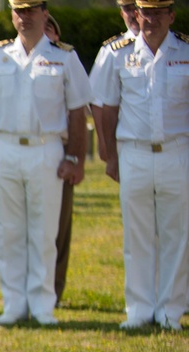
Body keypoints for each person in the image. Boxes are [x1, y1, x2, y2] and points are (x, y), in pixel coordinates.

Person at [0, 0, 90, 326]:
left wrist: (74, 158)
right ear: (12, 14)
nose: (24, 17)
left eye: (30, 10)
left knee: (43, 229)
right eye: (18, 10)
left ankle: (42, 304)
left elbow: (77, 110)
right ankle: (13, 303)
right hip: (7, 147)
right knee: (8, 230)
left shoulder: (63, 56)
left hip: (46, 148)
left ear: (44, 13)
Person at [93, 0, 188, 330]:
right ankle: (139, 308)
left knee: (177, 234)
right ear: (137, 13)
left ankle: (170, 311)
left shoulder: (185, 50)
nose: (150, 19)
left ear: (171, 16)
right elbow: (104, 106)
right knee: (137, 234)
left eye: (159, 12)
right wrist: (109, 154)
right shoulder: (117, 51)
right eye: (146, 12)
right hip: (133, 151)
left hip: (177, 150)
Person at [43, 13, 77, 305]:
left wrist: (75, 157)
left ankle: (55, 288)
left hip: (60, 153)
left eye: (49, 30)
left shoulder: (65, 62)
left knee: (59, 227)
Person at [89, 0, 140, 162]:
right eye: (127, 9)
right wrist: (104, 144)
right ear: (121, 13)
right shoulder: (111, 51)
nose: (133, 15)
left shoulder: (179, 48)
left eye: (136, 9)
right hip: (129, 144)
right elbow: (97, 101)